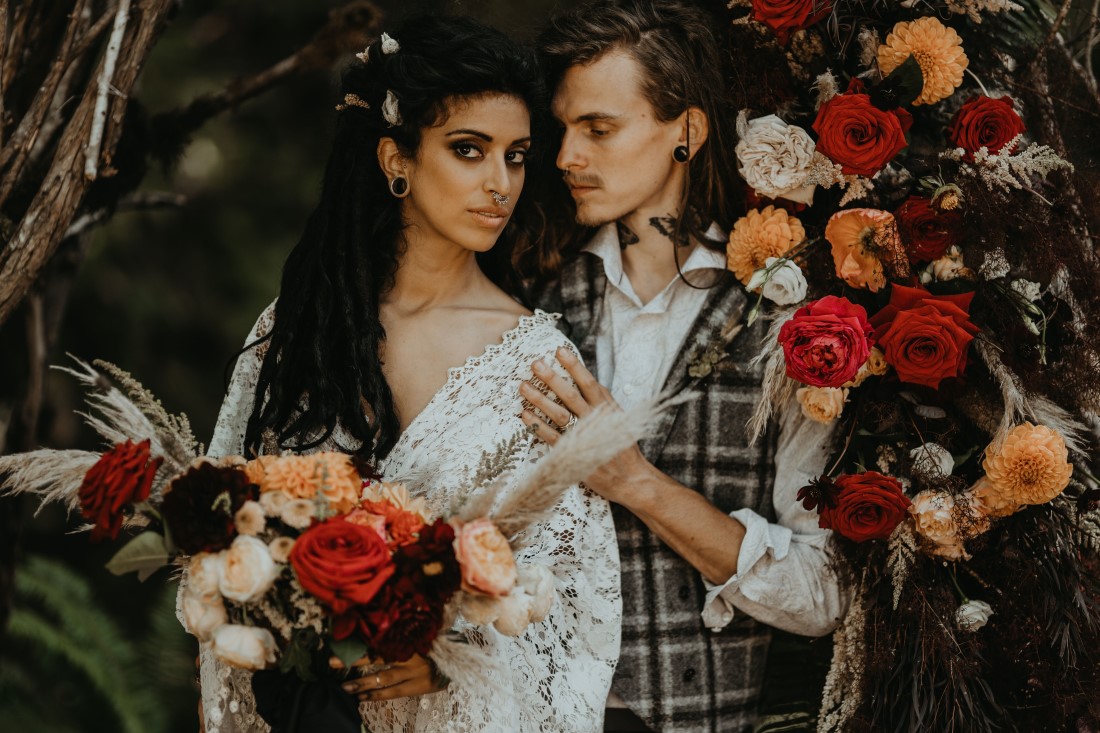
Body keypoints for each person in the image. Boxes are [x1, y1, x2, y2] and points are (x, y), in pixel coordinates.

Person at [191, 16, 621, 733]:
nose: (500, 183)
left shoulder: (538, 362)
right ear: (397, 159)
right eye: (467, 150)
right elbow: (220, 540)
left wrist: (450, 657)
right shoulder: (298, 329)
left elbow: (575, 604)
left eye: (516, 156)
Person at [519, 1, 847, 732]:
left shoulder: (787, 323)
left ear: (687, 133)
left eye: (598, 129)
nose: (567, 156)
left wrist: (636, 482)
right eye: (563, 129)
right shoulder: (532, 307)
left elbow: (822, 592)